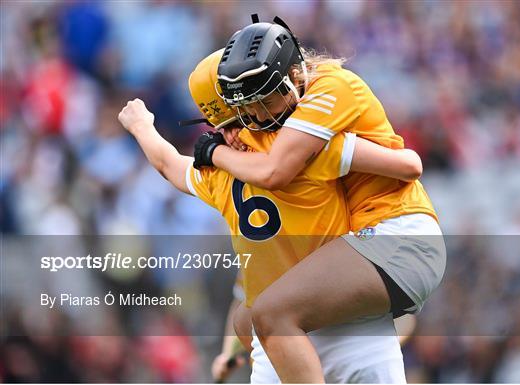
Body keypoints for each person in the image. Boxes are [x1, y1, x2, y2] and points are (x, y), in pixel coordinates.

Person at [119, 49, 424, 383]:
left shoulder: (218, 174)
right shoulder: (310, 146)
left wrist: (141, 126)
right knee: (250, 315)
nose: (234, 134)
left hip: (285, 337)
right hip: (342, 321)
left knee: (250, 315)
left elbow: (167, 163)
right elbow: (407, 164)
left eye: (230, 124)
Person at [193, 17, 446, 383]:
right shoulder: (269, 154)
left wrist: (212, 153)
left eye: (258, 105)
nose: (253, 119)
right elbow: (247, 290)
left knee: (270, 315)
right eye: (236, 119)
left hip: (394, 234)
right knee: (252, 317)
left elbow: (410, 164)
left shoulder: (317, 111)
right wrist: (230, 352)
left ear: (293, 75)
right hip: (368, 246)